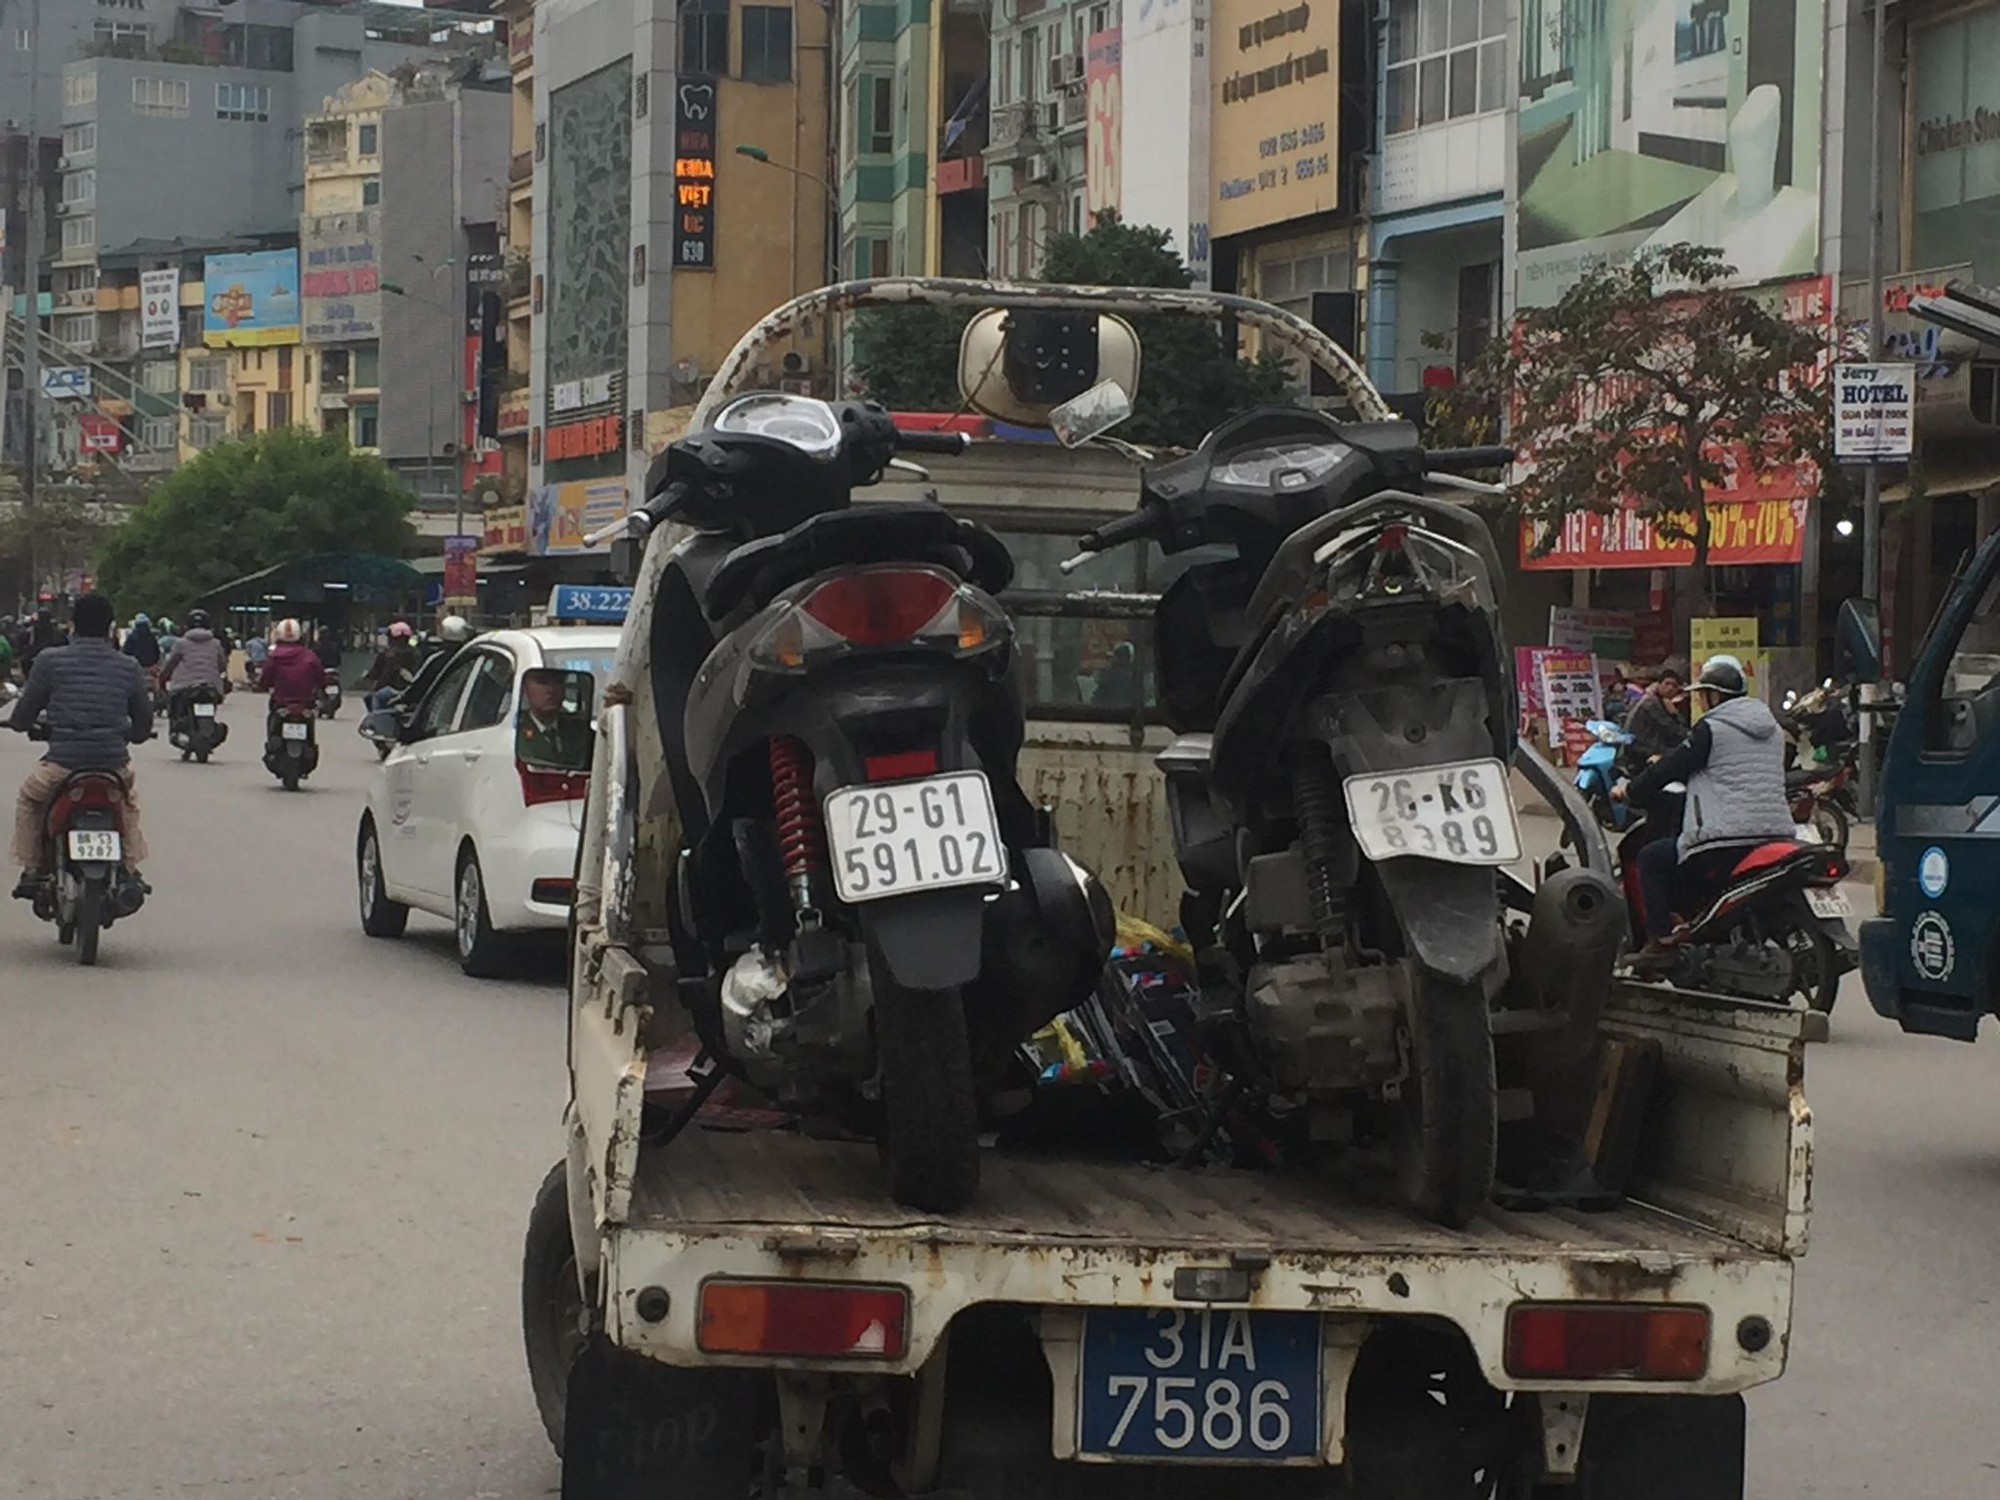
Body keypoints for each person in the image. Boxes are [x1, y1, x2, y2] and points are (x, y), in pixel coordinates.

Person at [1619, 656, 1797, 949]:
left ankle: (1660, 940)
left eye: (1703, 694)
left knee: (1651, 857)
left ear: (1715, 695)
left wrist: (1632, 791)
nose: (1701, 701)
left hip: (1725, 839)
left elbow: (1670, 768)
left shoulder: (1711, 729)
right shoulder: (1773, 730)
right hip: (1774, 835)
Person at [8, 593, 151, 898]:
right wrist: (134, 735)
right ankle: (128, 869)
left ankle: (32, 869)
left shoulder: (49, 660)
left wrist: (23, 725)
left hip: (62, 764)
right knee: (128, 804)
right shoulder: (129, 666)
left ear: (72, 625)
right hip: (113, 765)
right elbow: (143, 724)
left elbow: (23, 714)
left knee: (30, 799)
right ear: (110, 627)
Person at [160, 608, 230, 723]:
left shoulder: (180, 643)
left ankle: (177, 728)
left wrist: (162, 679)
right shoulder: (216, 644)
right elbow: (222, 665)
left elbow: (170, 665)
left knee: (174, 708)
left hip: (184, 686)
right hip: (211, 687)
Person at [394, 615, 474, 713]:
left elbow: (419, 685)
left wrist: (403, 698)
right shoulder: (471, 655)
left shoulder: (435, 658)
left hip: (435, 709)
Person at [1621, 658, 1689, 770]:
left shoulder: (1662, 702)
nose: (1670, 688)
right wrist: (1675, 716)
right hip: (1639, 750)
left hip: (1647, 746)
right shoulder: (1651, 703)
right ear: (1658, 684)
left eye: (1674, 686)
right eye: (1667, 684)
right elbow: (1671, 728)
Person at [517, 672, 592, 770]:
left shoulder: (582, 732)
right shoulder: (514, 730)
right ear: (525, 687)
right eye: (542, 682)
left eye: (558, 682)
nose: (550, 690)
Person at [259, 618, 324, 720]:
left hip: (280, 702)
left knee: (272, 719)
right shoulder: (310, 656)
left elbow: (266, 678)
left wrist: (264, 686)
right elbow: (320, 677)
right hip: (305, 702)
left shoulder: (274, 656)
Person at [361, 621, 421, 711]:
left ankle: (377, 720)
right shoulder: (417, 653)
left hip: (390, 690)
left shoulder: (387, 654)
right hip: (410, 691)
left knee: (376, 698)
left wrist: (368, 677)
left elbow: (376, 672)